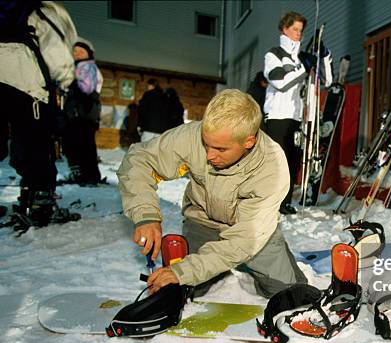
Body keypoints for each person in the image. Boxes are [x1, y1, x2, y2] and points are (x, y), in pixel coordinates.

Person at [117, 89, 307, 298]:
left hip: (250, 232)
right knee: (182, 289)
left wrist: (184, 270)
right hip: (203, 222)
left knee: (288, 292)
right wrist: (146, 215)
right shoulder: (192, 135)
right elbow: (139, 159)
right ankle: (218, 265)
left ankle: (239, 265)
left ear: (248, 142)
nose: (209, 155)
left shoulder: (272, 167)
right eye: (206, 144)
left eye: (220, 149)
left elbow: (244, 241)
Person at [0, 0, 80, 230]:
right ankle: (40, 200)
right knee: (34, 139)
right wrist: (65, 81)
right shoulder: (41, 10)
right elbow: (56, 52)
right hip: (24, 79)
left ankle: (29, 192)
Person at [263, 11, 332, 214]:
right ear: (284, 29)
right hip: (276, 116)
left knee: (292, 161)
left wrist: (324, 56)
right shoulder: (273, 54)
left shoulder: (303, 57)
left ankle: (284, 202)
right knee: (276, 161)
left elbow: (326, 81)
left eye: (301, 31)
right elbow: (280, 82)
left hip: (297, 116)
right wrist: (303, 67)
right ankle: (269, 202)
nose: (298, 34)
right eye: (294, 29)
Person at [61, 37, 103, 185]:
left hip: (85, 111)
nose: (77, 54)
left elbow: (87, 88)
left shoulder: (87, 67)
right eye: (75, 51)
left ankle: (89, 176)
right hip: (78, 112)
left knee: (84, 144)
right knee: (75, 144)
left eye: (81, 51)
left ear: (88, 53)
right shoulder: (80, 66)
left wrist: (72, 77)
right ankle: (81, 174)